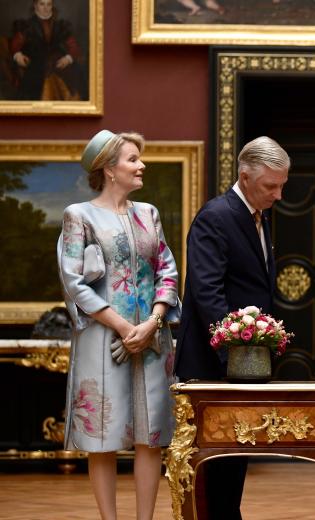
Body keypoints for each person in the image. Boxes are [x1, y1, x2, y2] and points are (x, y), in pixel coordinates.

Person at [57, 130, 180, 520]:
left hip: (153, 339)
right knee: (103, 438)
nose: (141, 165)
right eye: (132, 159)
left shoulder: (149, 214)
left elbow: (168, 271)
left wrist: (153, 323)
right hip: (103, 339)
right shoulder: (79, 215)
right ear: (109, 169)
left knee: (151, 436)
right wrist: (126, 329)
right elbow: (74, 282)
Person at [174, 136, 290, 520]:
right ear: (244, 176)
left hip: (242, 362)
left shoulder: (257, 215)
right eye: (270, 186)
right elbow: (206, 291)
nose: (278, 194)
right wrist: (232, 355)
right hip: (214, 364)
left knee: (235, 456)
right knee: (214, 464)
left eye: (281, 184)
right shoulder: (216, 216)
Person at [10, 0, 85, 101]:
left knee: (77, 73)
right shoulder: (26, 25)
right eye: (42, 4)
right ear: (35, 6)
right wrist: (18, 55)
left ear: (52, 6)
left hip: (58, 63)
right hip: (35, 64)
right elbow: (16, 44)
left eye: (48, 4)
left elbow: (73, 46)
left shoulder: (61, 25)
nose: (45, 8)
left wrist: (68, 58)